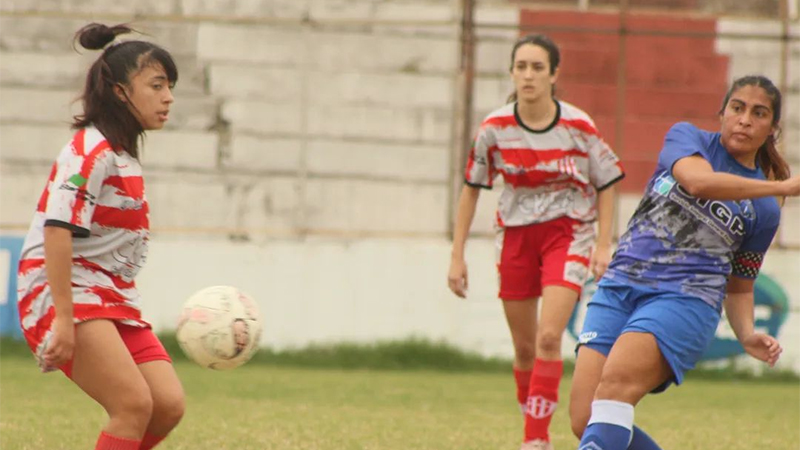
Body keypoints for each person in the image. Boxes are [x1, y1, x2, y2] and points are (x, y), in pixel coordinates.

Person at [568, 75, 800, 450]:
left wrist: (746, 334)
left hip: (685, 299)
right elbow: (698, 183)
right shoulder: (687, 138)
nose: (744, 119)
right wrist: (781, 188)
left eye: (759, 114)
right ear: (722, 112)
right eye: (738, 108)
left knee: (614, 389)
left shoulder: (764, 212)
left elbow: (740, 283)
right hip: (620, 285)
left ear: (772, 128)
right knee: (585, 418)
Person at [447, 34, 625, 450]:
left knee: (549, 338)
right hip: (516, 239)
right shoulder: (494, 128)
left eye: (537, 67)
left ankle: (535, 440)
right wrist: (457, 256)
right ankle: (535, 425)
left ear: (554, 74)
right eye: (521, 67)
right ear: (512, 72)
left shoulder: (579, 126)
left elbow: (608, 182)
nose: (528, 75)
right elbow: (472, 188)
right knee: (525, 350)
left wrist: (602, 244)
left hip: (568, 234)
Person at [16, 23, 184, 450]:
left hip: (109, 295)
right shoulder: (90, 150)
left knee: (166, 405)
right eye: (157, 85)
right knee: (131, 405)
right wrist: (66, 320)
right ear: (119, 92)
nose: (168, 98)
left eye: (170, 87)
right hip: (64, 291)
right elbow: (57, 231)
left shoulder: (120, 153)